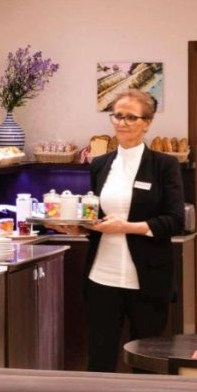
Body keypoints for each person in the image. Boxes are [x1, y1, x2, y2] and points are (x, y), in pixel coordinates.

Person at [81, 90, 185, 372]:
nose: (122, 123)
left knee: (147, 362)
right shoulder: (100, 164)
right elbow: (95, 215)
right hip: (102, 276)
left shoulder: (164, 165)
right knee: (100, 359)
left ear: (147, 123)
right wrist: (76, 225)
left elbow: (175, 220)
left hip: (147, 279)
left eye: (130, 117)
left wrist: (125, 227)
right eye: (117, 115)